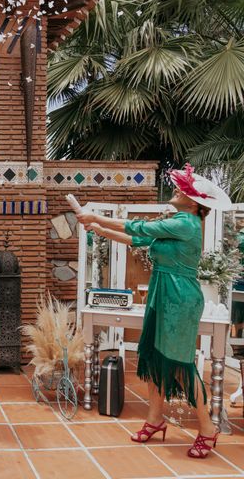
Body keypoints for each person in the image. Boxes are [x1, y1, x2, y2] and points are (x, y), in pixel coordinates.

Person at [77, 164, 232, 459]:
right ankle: (155, 419)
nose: (176, 190)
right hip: (163, 292)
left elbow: (140, 228)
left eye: (182, 189)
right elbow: (139, 239)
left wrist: (96, 215)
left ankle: (208, 429)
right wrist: (98, 228)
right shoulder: (177, 222)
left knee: (180, 366)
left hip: (180, 298)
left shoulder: (186, 223)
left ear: (194, 202)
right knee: (155, 357)